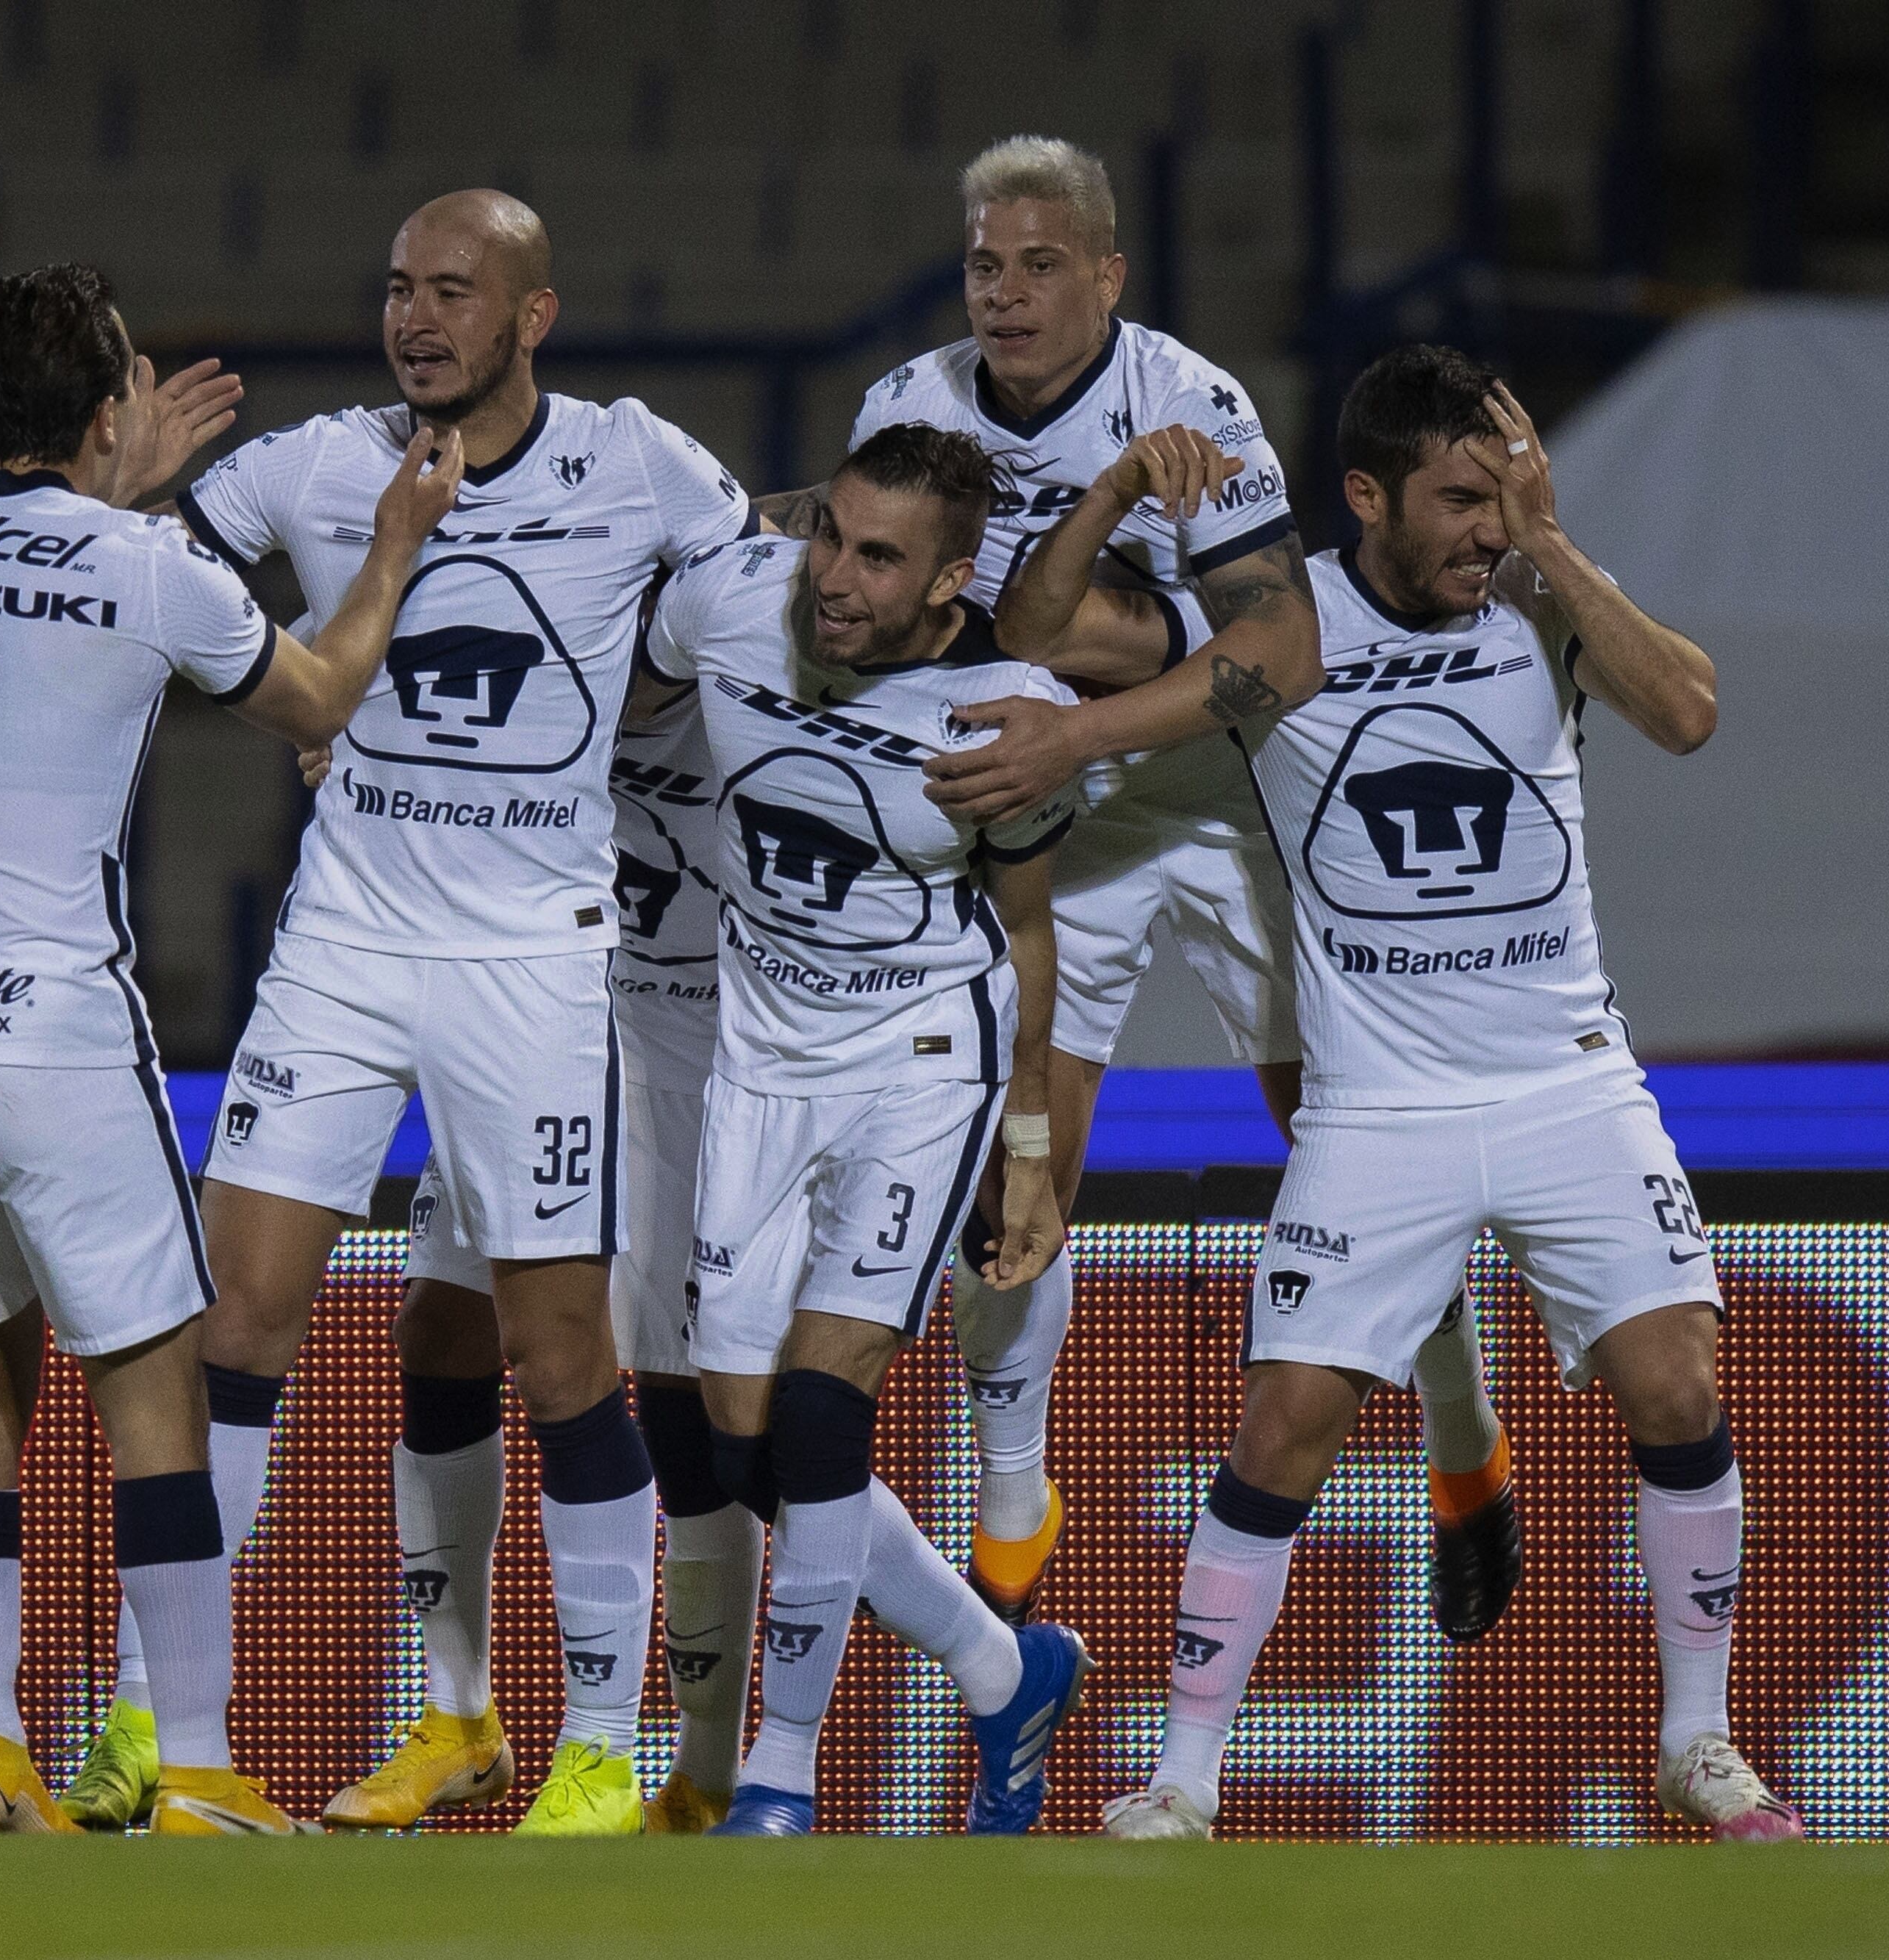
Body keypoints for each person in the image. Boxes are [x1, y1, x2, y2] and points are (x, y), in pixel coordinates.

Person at [1005, 345, 1799, 1843]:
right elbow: (1057, 641)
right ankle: (1182, 1777)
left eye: (1504, 496)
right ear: (1366, 495)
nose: (1486, 530)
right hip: (1379, 1108)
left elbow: (1690, 711)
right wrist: (1100, 526)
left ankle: (1698, 1740)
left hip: (1566, 1082)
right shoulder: (1281, 627)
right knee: (1283, 1424)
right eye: (1458, 501)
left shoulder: (1540, 605)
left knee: (1679, 1383)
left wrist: (1553, 540)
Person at [761, 135, 1519, 1638]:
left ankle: (1460, 1428)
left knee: (1352, 1140)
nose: (1006, 292)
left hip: (1235, 795)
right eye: (985, 264)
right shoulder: (908, 405)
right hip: (1068, 819)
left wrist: (1080, 702)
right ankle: (1014, 1495)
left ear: (1108, 274)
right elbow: (886, 604)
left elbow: (1281, 656)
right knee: (1015, 1163)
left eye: (1041, 265)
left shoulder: (1191, 403)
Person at [0, 261, 461, 1834]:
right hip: (52, 1043)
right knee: (156, 1400)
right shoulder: (153, 568)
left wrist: (108, 478)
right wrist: (393, 546)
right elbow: (320, 696)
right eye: (130, 379)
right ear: (102, 413)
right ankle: (192, 1762)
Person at [167, 189, 756, 1837]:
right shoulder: (317, 464)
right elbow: (147, 584)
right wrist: (286, 672)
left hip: (529, 966)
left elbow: (762, 586)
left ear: (531, 317)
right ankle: (187, 1730)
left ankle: (597, 1747)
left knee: (559, 1352)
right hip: (346, 944)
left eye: (452, 291)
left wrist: (639, 693)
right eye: (396, 289)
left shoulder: (634, 461)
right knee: (236, 1321)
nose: (414, 320)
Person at [634, 424, 1094, 1836]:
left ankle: (781, 1772)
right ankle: (1005, 1670)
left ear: (953, 579)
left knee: (825, 1411)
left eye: (880, 556)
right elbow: (604, 683)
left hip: (919, 1061)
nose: (835, 575)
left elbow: (1030, 930)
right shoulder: (730, 602)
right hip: (757, 1064)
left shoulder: (1005, 714)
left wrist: (1031, 1155)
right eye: (831, 533)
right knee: (739, 1451)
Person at [329, 664, 757, 1837]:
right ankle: (458, 1715)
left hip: (685, 1057)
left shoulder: (748, 650)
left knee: (689, 1406)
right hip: (526, 1019)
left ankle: (699, 1769)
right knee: (440, 1327)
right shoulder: (550, 655)